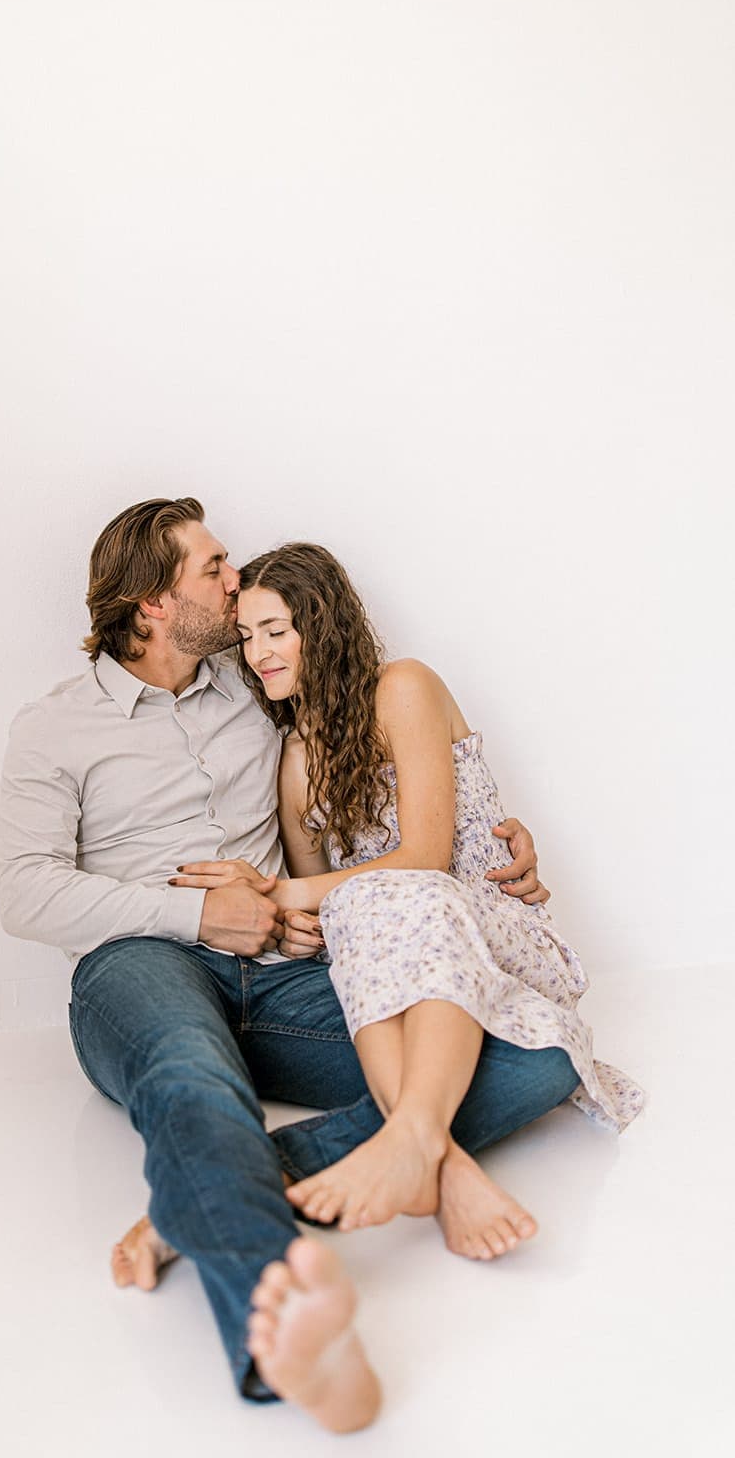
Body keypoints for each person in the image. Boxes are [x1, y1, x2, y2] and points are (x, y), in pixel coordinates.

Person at [0, 498, 580, 1434]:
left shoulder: (260, 687)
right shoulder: (53, 727)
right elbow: (25, 894)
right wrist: (197, 914)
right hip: (141, 964)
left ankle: (207, 1197)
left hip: (287, 966)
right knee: (192, 1082)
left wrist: (496, 839)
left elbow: (390, 792)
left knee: (531, 1060)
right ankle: (289, 1333)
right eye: (214, 568)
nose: (233, 586)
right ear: (152, 602)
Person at [168, 542, 644, 1360]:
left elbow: (424, 854)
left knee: (394, 890)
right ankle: (440, 1161)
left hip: (498, 932)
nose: (260, 654)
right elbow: (337, 920)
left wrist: (277, 890)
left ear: (320, 626)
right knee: (360, 913)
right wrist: (299, 914)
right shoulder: (297, 759)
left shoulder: (404, 687)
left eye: (276, 630)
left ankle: (407, 1140)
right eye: (247, 637)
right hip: (404, 960)